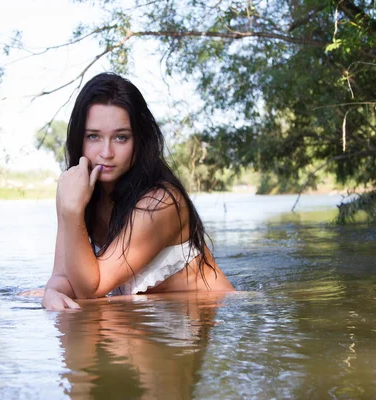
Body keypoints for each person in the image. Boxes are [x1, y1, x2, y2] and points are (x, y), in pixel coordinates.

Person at [24, 73, 234, 310]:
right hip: (153, 323)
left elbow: (91, 289)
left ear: (139, 141)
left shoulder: (160, 203)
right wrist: (52, 293)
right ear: (79, 140)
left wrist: (72, 212)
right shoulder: (76, 193)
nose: (106, 152)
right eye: (93, 136)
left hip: (202, 316)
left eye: (121, 138)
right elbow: (64, 276)